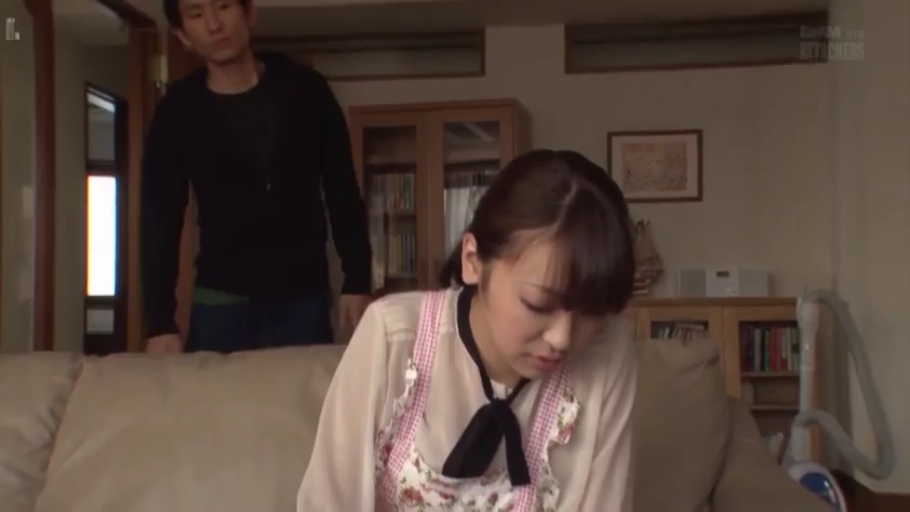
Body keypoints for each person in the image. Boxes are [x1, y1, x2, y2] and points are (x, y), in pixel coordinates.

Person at [297, 149, 637, 511]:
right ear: (473, 261)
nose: (563, 338)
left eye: (592, 312)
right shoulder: (393, 335)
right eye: (538, 304)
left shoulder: (606, 352)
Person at [141, 0, 372, 355]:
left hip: (303, 297)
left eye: (224, 5)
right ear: (182, 35)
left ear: (249, 13)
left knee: (304, 392)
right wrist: (159, 322)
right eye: (197, 14)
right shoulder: (177, 110)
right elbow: (160, 217)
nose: (214, 24)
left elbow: (342, 188)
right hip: (220, 301)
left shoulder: (307, 90)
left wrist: (357, 277)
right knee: (213, 393)